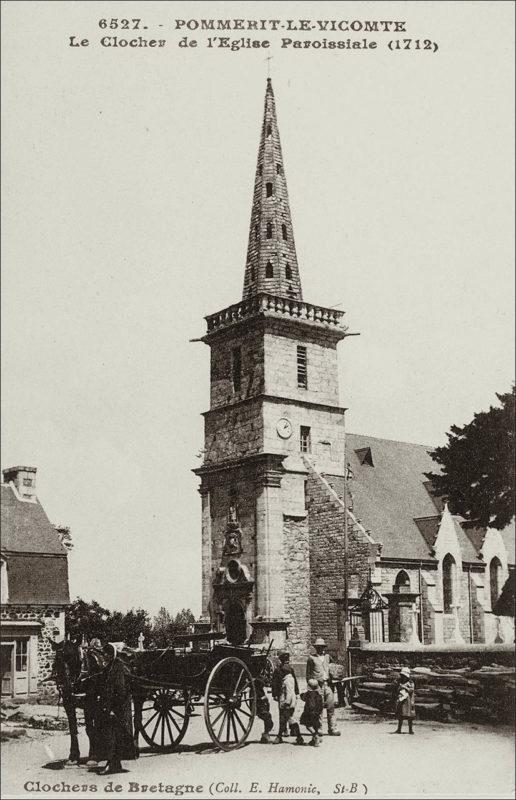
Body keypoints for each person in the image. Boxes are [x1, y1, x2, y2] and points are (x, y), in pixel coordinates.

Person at [98, 643, 136, 774]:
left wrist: (113, 708)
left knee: (112, 736)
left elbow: (120, 690)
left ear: (111, 655)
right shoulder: (108, 668)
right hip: (109, 707)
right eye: (104, 655)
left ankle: (111, 763)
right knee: (113, 736)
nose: (104, 658)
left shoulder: (118, 668)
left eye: (106, 655)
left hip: (116, 707)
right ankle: (116, 763)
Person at [305, 637, 341, 736]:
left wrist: (334, 674)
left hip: (328, 684)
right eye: (318, 647)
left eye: (322, 647)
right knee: (319, 708)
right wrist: (311, 684)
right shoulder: (311, 658)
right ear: (316, 648)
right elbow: (308, 675)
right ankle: (319, 728)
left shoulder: (327, 657)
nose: (320, 649)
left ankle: (332, 728)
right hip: (317, 686)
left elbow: (334, 666)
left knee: (331, 706)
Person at [271, 653, 304, 745]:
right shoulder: (280, 670)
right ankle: (290, 733)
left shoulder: (287, 672)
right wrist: (275, 694)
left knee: (286, 716)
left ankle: (291, 736)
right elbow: (275, 683)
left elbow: (292, 687)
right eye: (285, 661)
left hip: (286, 699)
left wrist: (288, 699)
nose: (287, 663)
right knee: (286, 716)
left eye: (287, 661)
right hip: (283, 696)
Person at [300, 679, 324, 746]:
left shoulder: (308, 694)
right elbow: (321, 705)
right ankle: (314, 740)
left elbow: (302, 697)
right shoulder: (318, 695)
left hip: (308, 713)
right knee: (315, 726)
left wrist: (302, 693)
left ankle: (316, 736)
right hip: (316, 713)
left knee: (308, 726)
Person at [393, 666, 416, 734]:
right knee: (401, 715)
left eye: (404, 676)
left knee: (410, 716)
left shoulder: (411, 683)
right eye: (402, 676)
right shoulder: (399, 682)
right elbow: (396, 688)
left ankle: (410, 730)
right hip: (402, 700)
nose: (403, 677)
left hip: (409, 701)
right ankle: (399, 729)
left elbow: (411, 690)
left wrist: (405, 687)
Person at [255, 677, 274, 744]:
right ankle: (265, 735)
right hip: (260, 708)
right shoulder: (259, 690)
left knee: (268, 718)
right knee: (268, 718)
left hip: (259, 707)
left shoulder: (256, 689)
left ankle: (265, 735)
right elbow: (262, 698)